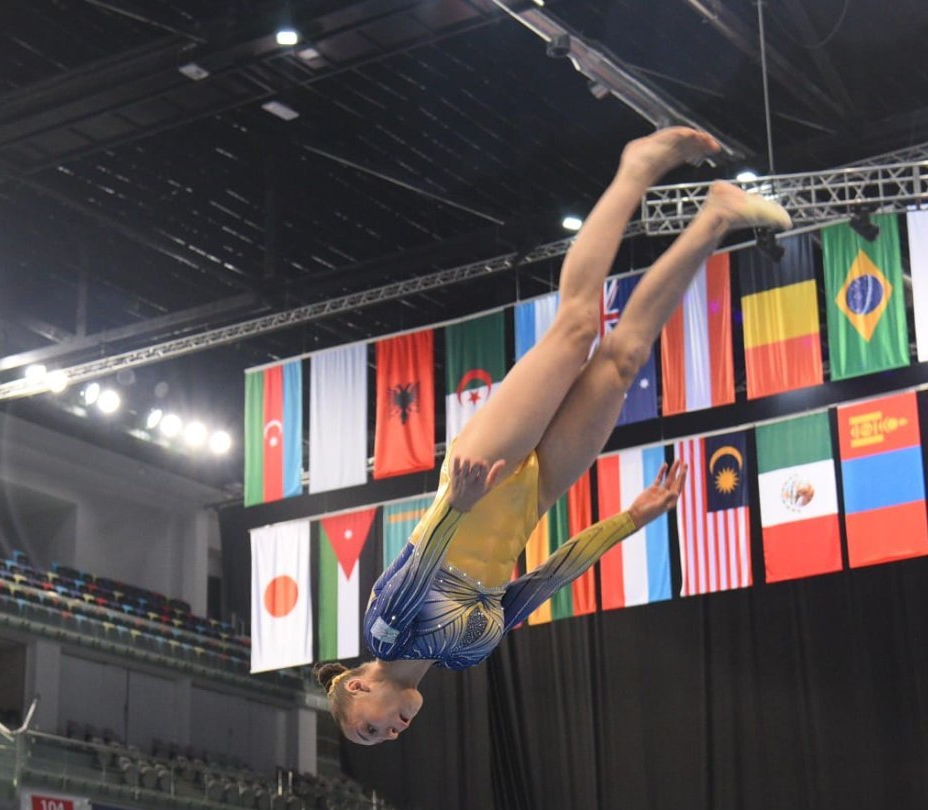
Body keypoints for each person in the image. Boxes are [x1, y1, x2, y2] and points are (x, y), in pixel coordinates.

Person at [317, 127, 791, 746]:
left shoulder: (385, 632)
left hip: (478, 477)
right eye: (387, 739)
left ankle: (637, 167)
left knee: (575, 329)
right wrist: (631, 518)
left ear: (358, 686)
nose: (394, 732)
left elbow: (420, 561)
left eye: (371, 730)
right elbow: (550, 576)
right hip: (533, 497)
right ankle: (715, 218)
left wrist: (451, 507)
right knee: (623, 360)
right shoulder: (465, 655)